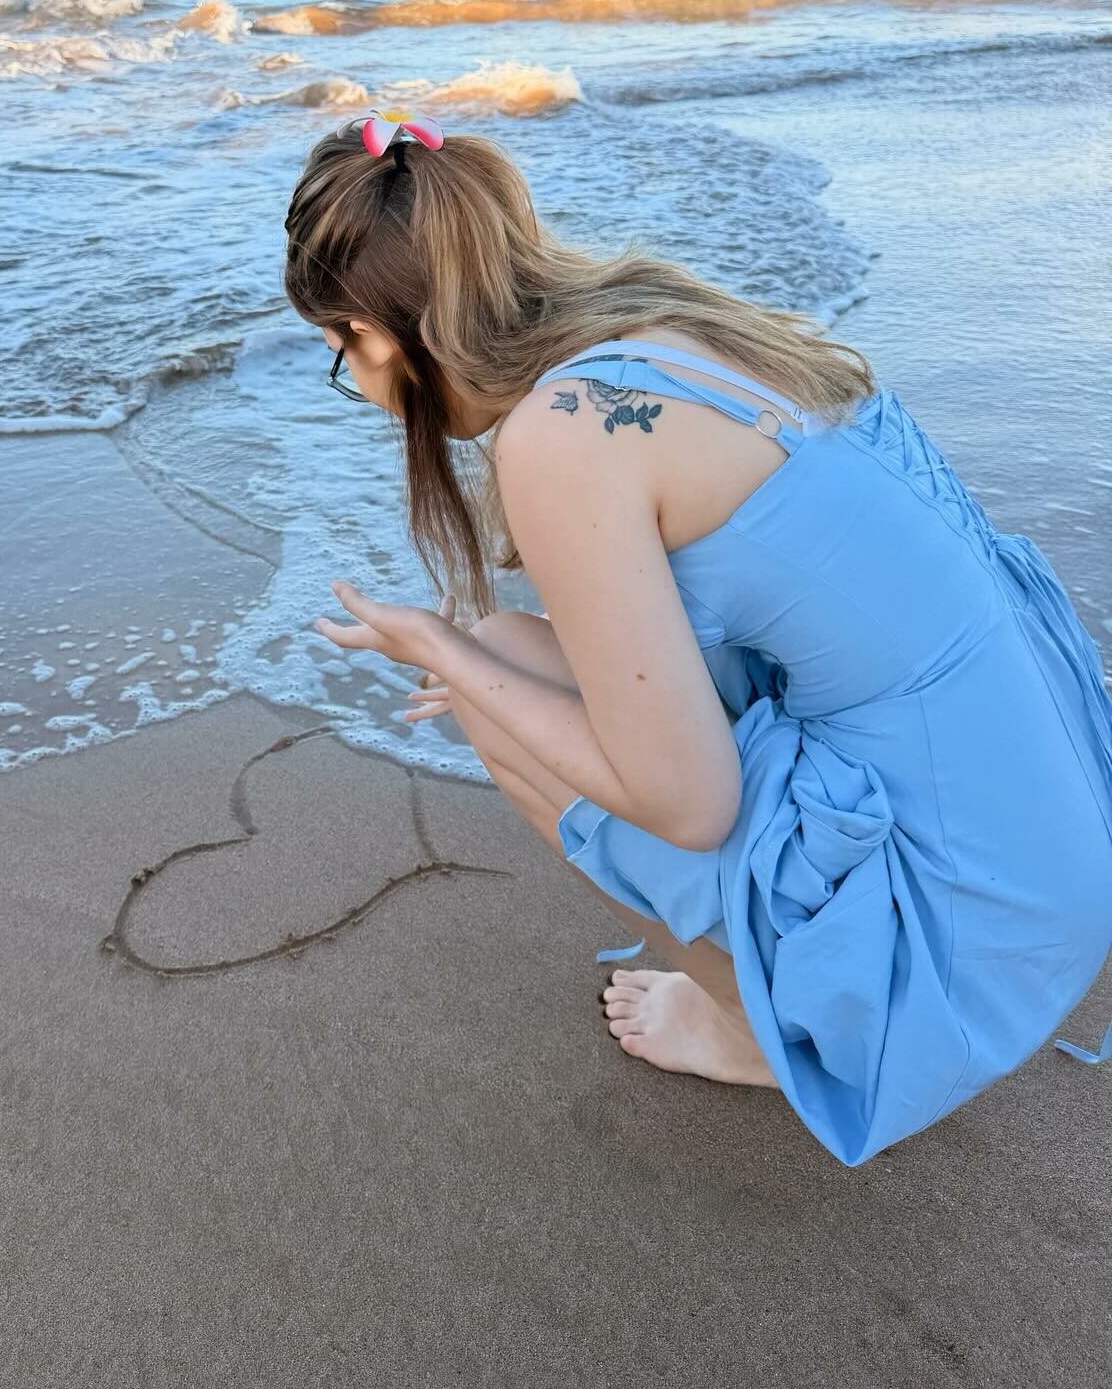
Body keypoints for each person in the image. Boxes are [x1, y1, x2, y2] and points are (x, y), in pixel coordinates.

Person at [281, 108, 1112, 1166]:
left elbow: (688, 803)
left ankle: (756, 1033)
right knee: (509, 656)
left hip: (974, 939)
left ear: (377, 331)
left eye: (339, 352)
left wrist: (445, 656)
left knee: (494, 683)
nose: (357, 386)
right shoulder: (667, 323)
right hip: (1052, 840)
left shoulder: (559, 436)